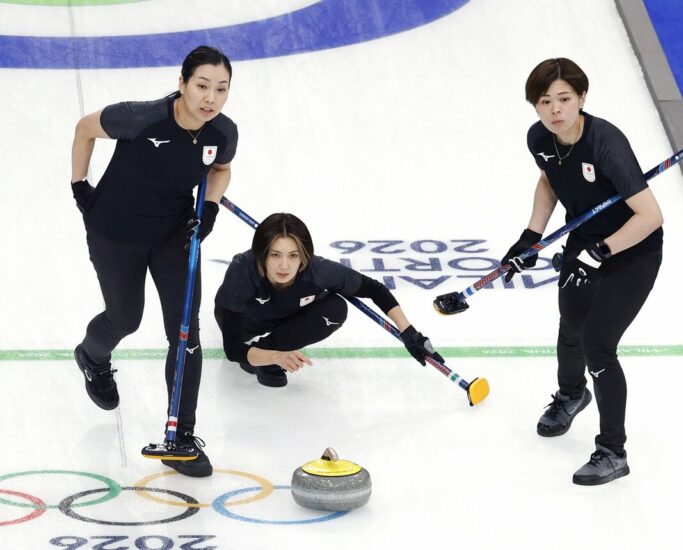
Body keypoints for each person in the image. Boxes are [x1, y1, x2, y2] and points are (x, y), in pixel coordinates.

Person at [70, 45, 238, 478]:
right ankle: (92, 356)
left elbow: (221, 169)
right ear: (181, 84)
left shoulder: (223, 132)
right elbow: (84, 128)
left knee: (186, 332)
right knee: (125, 318)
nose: (211, 98)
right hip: (115, 235)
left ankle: (180, 438)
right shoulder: (140, 117)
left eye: (221, 89)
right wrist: (79, 186)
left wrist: (212, 208)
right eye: (202, 86)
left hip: (174, 237)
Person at [501, 58, 663, 485]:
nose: (555, 109)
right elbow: (550, 181)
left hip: (632, 251)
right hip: (585, 242)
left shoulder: (607, 144)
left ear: (582, 98)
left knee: (598, 344)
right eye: (545, 101)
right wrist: (530, 237)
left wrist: (604, 250)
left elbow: (650, 215)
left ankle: (613, 452)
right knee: (570, 325)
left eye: (564, 99)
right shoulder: (540, 137)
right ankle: (572, 395)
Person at [215, 213, 443, 387]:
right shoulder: (242, 270)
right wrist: (276, 357)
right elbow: (233, 349)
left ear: (304, 255)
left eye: (293, 255)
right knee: (243, 351)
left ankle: (265, 349)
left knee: (336, 308)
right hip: (247, 322)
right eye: (275, 255)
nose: (284, 265)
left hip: (288, 314)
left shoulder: (318, 270)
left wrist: (408, 332)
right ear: (262, 253)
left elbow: (374, 289)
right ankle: (262, 357)